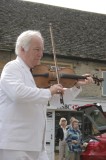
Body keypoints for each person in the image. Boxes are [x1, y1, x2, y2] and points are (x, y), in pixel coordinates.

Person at [0, 30, 93, 160]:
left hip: (36, 145)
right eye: (37, 49)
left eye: (42, 50)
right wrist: (49, 91)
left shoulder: (33, 75)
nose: (41, 54)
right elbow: (17, 93)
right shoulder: (12, 67)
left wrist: (77, 85)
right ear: (22, 49)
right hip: (15, 145)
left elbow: (58, 100)